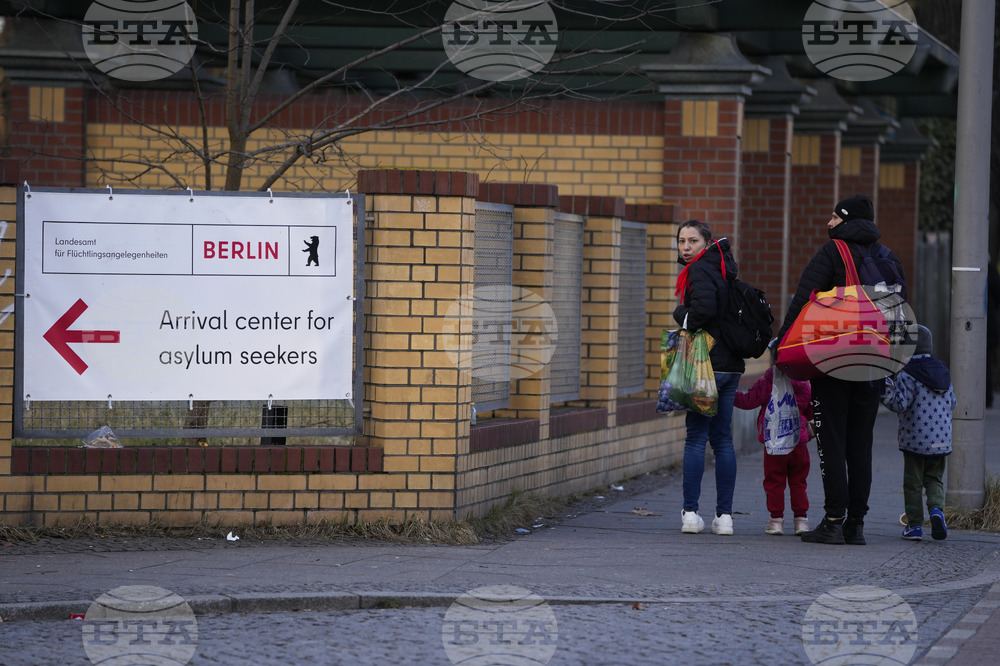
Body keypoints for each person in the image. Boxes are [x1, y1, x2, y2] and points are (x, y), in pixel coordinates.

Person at [775, 194, 906, 546]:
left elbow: (804, 298)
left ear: (846, 220)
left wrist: (783, 344)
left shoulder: (833, 252)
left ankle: (833, 520)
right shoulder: (889, 258)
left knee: (831, 441)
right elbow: (900, 312)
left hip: (833, 359)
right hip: (874, 363)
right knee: (860, 445)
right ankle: (856, 525)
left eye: (834, 216)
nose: (828, 223)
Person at [673, 219, 745, 535]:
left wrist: (681, 315)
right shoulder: (724, 267)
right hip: (730, 365)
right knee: (723, 440)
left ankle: (690, 514)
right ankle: (725, 517)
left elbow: (703, 310)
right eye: (681, 241)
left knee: (696, 438)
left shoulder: (701, 270)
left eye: (692, 241)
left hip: (706, 364)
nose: (686, 247)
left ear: (706, 242)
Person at [881, 325, 956, 540]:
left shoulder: (908, 373)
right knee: (934, 479)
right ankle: (936, 511)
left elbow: (899, 404)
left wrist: (885, 386)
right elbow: (953, 402)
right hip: (941, 439)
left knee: (913, 482)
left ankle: (914, 525)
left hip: (915, 439)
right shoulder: (943, 371)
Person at [734, 364, 813, 536]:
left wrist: (728, 394)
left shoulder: (768, 381)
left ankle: (776, 521)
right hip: (798, 440)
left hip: (775, 441)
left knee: (774, 481)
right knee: (799, 481)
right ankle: (801, 521)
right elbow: (810, 410)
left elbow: (749, 401)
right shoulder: (805, 382)